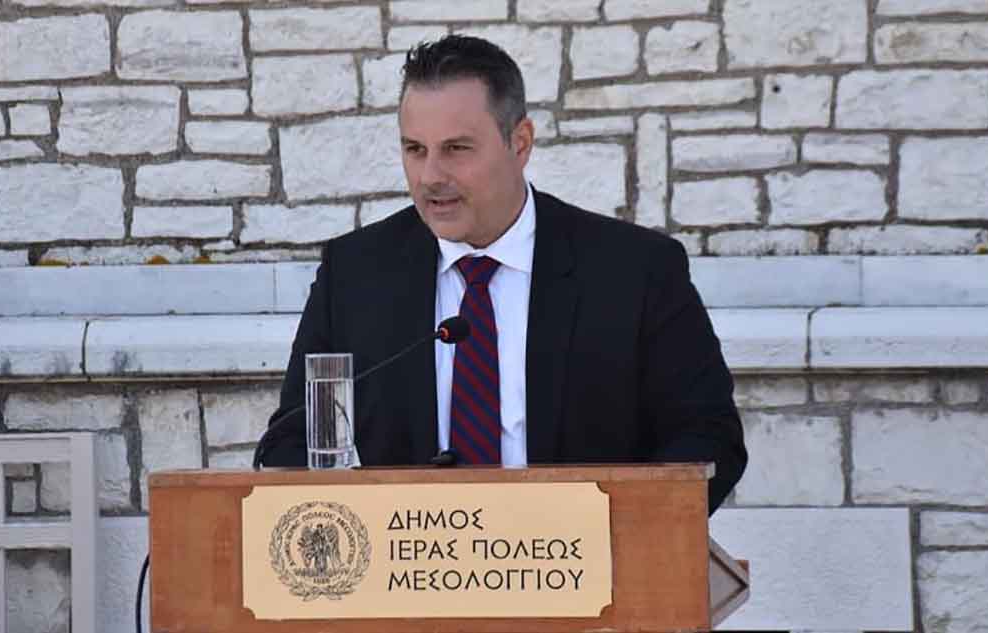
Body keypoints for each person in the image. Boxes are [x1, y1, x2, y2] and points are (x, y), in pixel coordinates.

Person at [257, 35, 746, 513]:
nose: (430, 176)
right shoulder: (355, 274)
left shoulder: (635, 271)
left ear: (520, 142)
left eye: (456, 149)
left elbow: (707, 437)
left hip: (583, 560)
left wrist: (623, 536)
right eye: (415, 149)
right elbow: (290, 442)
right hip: (402, 562)